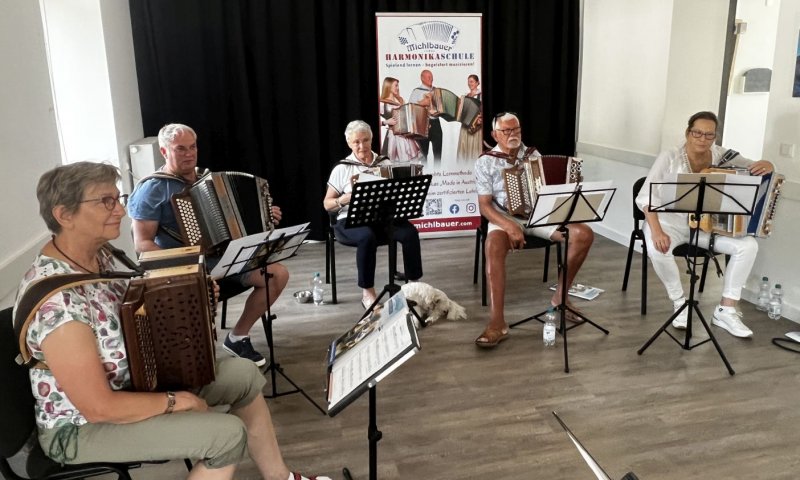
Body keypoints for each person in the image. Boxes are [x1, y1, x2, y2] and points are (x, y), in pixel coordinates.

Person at [14, 162, 330, 480]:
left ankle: (281, 478)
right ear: (64, 215)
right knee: (227, 436)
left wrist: (195, 294)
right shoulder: (59, 307)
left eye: (118, 198)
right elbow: (99, 407)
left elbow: (137, 306)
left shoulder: (102, 255)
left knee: (245, 374)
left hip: (134, 383)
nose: (121, 211)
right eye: (106, 201)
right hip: (80, 427)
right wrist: (176, 401)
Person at [128, 123, 288, 367]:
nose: (189, 154)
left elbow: (236, 222)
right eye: (180, 149)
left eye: (192, 147)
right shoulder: (153, 189)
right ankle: (197, 355)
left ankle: (237, 337)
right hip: (187, 267)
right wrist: (187, 264)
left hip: (222, 258)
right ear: (164, 151)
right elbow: (142, 244)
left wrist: (266, 215)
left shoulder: (207, 178)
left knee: (277, 274)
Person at [636, 111, 774, 338]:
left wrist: (768, 163)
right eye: (697, 133)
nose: (702, 139)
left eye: (709, 135)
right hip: (668, 222)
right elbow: (646, 198)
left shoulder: (722, 155)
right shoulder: (670, 156)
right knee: (657, 247)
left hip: (704, 226)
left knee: (748, 245)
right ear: (687, 133)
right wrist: (657, 231)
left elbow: (755, 166)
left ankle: (726, 310)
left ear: (715, 137)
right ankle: (680, 302)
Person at [474, 113, 594, 348]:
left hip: (538, 215)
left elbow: (549, 192)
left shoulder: (533, 155)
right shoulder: (485, 162)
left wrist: (570, 187)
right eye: (506, 131)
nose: (513, 134)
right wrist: (509, 225)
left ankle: (560, 298)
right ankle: (497, 323)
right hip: (504, 216)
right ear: (495, 135)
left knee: (583, 234)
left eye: (516, 129)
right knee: (493, 245)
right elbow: (485, 206)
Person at [323, 120, 423, 309]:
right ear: (349, 143)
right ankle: (368, 293)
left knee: (410, 233)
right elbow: (327, 204)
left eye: (365, 140)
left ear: (371, 139)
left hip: (382, 219)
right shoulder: (342, 168)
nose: (362, 146)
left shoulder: (384, 163)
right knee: (366, 237)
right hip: (350, 220)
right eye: (356, 142)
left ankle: (413, 286)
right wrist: (342, 200)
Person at [408, 69, 443, 163]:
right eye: (429, 77)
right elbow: (410, 109)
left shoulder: (437, 91)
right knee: (423, 154)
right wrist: (422, 103)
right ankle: (424, 171)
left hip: (436, 124)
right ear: (422, 78)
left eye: (432, 77)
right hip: (422, 125)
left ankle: (438, 171)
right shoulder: (416, 91)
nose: (431, 79)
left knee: (438, 154)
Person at [456, 74, 483, 162]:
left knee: (474, 149)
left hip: (475, 126)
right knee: (464, 151)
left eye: (472, 81)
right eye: (468, 82)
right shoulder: (465, 96)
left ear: (477, 83)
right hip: (465, 125)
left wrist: (480, 119)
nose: (469, 84)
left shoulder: (481, 96)